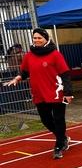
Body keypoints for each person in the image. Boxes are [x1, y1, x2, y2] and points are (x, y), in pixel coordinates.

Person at [3, 28, 73, 159]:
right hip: (39, 93)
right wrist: (17, 78)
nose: (37, 40)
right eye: (35, 38)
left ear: (46, 39)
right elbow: (24, 72)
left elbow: (65, 74)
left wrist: (68, 93)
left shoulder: (55, 54)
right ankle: (63, 137)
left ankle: (59, 146)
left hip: (57, 92)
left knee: (58, 119)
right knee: (45, 120)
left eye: (39, 38)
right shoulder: (29, 55)